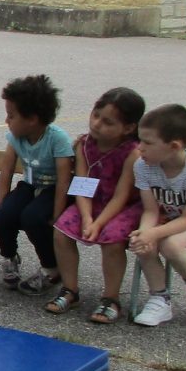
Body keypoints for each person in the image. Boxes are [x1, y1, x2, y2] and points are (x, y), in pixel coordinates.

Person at [47, 87, 146, 323]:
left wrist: (98, 223)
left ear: (128, 128)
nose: (97, 124)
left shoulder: (133, 153)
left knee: (112, 239)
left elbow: (121, 196)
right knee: (61, 231)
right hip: (91, 203)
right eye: (96, 115)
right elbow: (82, 184)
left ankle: (111, 298)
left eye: (108, 122)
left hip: (122, 207)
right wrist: (87, 218)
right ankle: (70, 290)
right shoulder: (84, 145)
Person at [129, 104, 186, 330]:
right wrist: (144, 234)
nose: (140, 147)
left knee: (171, 244)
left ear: (174, 146)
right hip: (164, 214)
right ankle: (160, 299)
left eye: (148, 143)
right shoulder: (143, 166)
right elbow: (150, 210)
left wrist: (153, 233)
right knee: (144, 244)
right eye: (140, 140)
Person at [0, 74, 74, 297]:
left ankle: (51, 268)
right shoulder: (15, 137)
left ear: (32, 119)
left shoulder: (57, 139)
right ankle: (10, 257)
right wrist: (3, 203)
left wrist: (57, 214)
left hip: (52, 190)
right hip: (29, 185)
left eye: (11, 115)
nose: (7, 120)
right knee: (4, 216)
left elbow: (64, 180)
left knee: (34, 218)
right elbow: (6, 170)